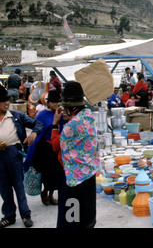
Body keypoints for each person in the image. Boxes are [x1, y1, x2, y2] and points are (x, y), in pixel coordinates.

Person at [51, 81, 100, 228]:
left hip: (73, 180)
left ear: (70, 107)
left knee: (71, 219)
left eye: (65, 107)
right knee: (87, 217)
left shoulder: (70, 126)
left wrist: (55, 124)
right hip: (89, 175)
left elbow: (55, 146)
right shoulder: (88, 116)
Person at [0, 85, 44, 228]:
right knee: (4, 188)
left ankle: (25, 215)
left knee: (19, 186)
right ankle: (9, 216)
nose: (7, 103)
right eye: (2, 101)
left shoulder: (16, 116)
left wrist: (34, 133)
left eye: (7, 100)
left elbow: (38, 123)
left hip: (14, 154)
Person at [24, 91, 66, 207]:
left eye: (58, 102)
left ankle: (52, 194)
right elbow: (37, 129)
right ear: (48, 103)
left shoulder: (60, 113)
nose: (56, 104)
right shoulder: (42, 115)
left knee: (56, 172)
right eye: (53, 102)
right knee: (46, 173)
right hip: (45, 149)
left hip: (56, 147)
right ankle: (45, 192)